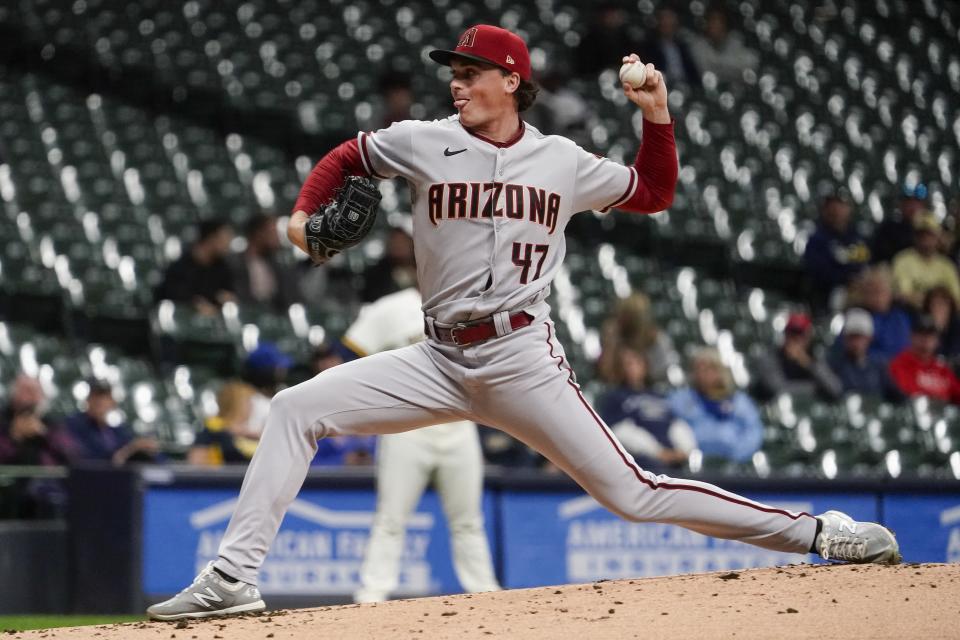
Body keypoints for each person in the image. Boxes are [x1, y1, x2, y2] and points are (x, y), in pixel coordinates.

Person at [148, 25, 898, 621]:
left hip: (519, 357)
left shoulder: (563, 161)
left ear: (512, 82)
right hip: (435, 357)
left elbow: (655, 192)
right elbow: (348, 155)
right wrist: (307, 216)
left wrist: (657, 117)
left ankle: (817, 531)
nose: (457, 81)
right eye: (455, 71)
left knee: (633, 494)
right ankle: (232, 578)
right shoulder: (424, 139)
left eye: (471, 71)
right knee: (294, 408)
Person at [335, 287, 501, 603]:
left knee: (468, 520)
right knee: (391, 518)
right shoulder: (394, 305)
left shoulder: (470, 304)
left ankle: (484, 592)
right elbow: (349, 351)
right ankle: (372, 594)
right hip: (407, 427)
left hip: (458, 425)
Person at [598, 348, 696, 470]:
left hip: (673, 456)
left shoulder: (659, 396)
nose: (632, 368)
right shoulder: (614, 397)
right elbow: (620, 431)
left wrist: (683, 450)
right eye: (627, 364)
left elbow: (676, 425)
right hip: (640, 460)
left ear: (645, 366)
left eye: (637, 363)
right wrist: (657, 452)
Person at [668, 347, 764, 463]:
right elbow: (673, 427)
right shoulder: (680, 399)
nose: (703, 374)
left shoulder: (740, 401)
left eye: (710, 368)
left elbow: (754, 432)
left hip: (735, 463)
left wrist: (736, 457)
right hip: (692, 463)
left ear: (720, 371)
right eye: (699, 369)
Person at [752, 312, 843, 401]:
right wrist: (815, 388)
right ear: (785, 335)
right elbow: (779, 390)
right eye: (792, 333)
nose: (796, 339)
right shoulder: (770, 356)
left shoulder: (814, 358)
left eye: (801, 334)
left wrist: (808, 364)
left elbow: (836, 390)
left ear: (808, 337)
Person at [802, 194, 871, 312]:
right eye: (832, 207)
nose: (837, 211)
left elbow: (866, 263)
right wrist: (847, 279)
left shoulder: (857, 237)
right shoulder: (818, 239)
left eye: (841, 206)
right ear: (824, 210)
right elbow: (817, 271)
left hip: (860, 288)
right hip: (830, 292)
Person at [65, 380, 159, 465]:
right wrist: (129, 450)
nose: (101, 402)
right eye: (96, 397)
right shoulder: (76, 425)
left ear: (113, 402)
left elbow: (130, 445)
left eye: (105, 397)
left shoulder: (116, 429)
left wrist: (141, 447)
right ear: (88, 400)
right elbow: (88, 460)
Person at [156, 219, 237, 315]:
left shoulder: (222, 267)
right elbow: (173, 296)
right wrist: (194, 304)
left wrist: (227, 298)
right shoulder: (180, 267)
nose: (228, 243)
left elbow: (227, 293)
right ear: (211, 238)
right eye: (226, 238)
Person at [597, 292, 679, 386]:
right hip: (618, 389)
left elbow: (661, 371)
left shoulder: (657, 338)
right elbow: (605, 372)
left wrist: (640, 370)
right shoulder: (613, 334)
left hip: (650, 388)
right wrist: (611, 343)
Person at [826, 309, 903, 402]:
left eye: (860, 337)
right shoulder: (834, 364)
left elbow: (896, 394)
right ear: (845, 338)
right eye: (852, 337)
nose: (856, 343)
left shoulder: (878, 366)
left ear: (869, 338)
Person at [229, 214, 300, 313]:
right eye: (272, 233)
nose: (277, 238)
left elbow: (290, 298)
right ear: (259, 234)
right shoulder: (234, 263)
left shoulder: (278, 264)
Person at [891, 212, 960, 310]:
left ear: (937, 238)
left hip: (943, 317)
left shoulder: (946, 265)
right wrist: (935, 301)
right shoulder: (902, 260)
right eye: (921, 235)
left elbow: (956, 299)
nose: (925, 239)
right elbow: (904, 295)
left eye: (930, 235)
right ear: (915, 237)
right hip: (913, 314)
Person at [0, 374, 72, 466]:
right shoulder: (3, 420)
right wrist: (15, 436)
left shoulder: (51, 425)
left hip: (43, 478)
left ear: (41, 397)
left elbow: (71, 456)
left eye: (33, 391)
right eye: (23, 390)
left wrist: (43, 433)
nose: (26, 397)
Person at [889, 315, 960, 404]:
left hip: (942, 415)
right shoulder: (900, 364)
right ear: (911, 337)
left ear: (937, 341)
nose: (925, 339)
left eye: (930, 335)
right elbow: (906, 395)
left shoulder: (942, 368)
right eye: (921, 334)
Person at [846, 265, 911, 360]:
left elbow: (903, 350)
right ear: (863, 294)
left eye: (880, 291)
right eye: (870, 292)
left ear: (890, 293)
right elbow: (847, 350)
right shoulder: (854, 316)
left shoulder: (899, 318)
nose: (877, 297)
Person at [188, 381, 260, 466]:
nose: (252, 406)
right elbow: (196, 464)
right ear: (235, 403)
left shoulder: (254, 434)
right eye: (247, 401)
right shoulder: (212, 430)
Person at [687, 3, 759, 83]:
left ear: (726, 24)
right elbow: (705, 72)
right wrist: (734, 69)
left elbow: (752, 63)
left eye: (720, 21)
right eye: (712, 21)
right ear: (706, 24)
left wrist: (717, 64)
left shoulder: (735, 40)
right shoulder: (698, 44)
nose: (716, 25)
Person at [639, 6, 701, 87]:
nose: (667, 22)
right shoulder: (650, 47)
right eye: (664, 18)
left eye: (670, 18)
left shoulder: (682, 47)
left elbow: (693, 74)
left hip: (685, 87)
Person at [870, 182, 929, 264]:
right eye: (908, 203)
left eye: (916, 203)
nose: (913, 207)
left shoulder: (932, 230)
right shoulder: (888, 229)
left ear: (923, 205)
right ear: (900, 205)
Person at [360, 225, 417, 302]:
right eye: (395, 242)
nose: (398, 246)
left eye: (403, 242)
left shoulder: (423, 271)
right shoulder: (376, 275)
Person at [923, 286, 960, 366]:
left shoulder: (957, 325)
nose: (939, 308)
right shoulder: (923, 327)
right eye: (934, 304)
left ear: (950, 306)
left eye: (943, 304)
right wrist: (937, 329)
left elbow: (954, 352)